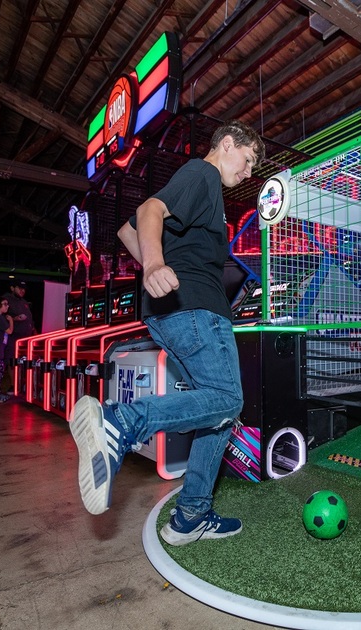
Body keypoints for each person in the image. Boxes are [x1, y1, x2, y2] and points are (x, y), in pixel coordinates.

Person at [69, 120, 265, 546]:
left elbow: (126, 230)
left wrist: (158, 269)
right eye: (248, 161)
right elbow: (147, 212)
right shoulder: (203, 174)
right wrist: (156, 267)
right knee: (229, 399)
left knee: (218, 414)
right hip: (196, 310)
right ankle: (120, 424)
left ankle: (192, 514)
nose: (248, 174)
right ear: (227, 144)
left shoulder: (198, 182)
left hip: (173, 310)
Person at [2, 280, 36, 365]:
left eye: (24, 289)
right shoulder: (6, 300)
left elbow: (29, 319)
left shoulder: (24, 302)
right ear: (12, 288)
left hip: (25, 338)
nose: (23, 291)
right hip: (13, 338)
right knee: (12, 361)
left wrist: (33, 329)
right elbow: (0, 317)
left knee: (23, 362)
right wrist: (15, 318)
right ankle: (13, 378)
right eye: (20, 288)